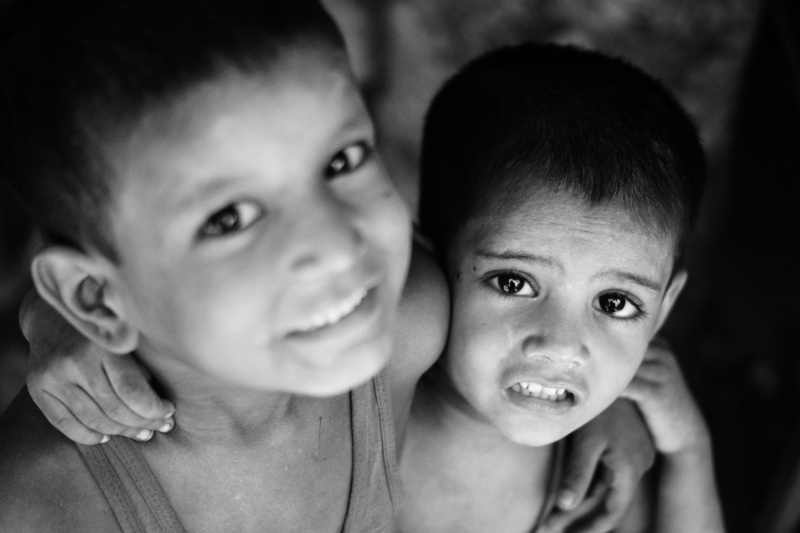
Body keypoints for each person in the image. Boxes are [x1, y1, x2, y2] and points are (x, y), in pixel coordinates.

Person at [0, 1, 652, 531]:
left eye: (342, 161)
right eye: (230, 218)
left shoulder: (411, 318)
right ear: (95, 300)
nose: (339, 246)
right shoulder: (39, 506)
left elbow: (544, 321)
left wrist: (606, 402)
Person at [396, 43, 724, 533]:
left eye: (614, 302)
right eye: (514, 282)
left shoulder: (604, 470)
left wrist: (690, 451)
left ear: (662, 307)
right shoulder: (368, 411)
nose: (562, 346)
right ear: (425, 260)